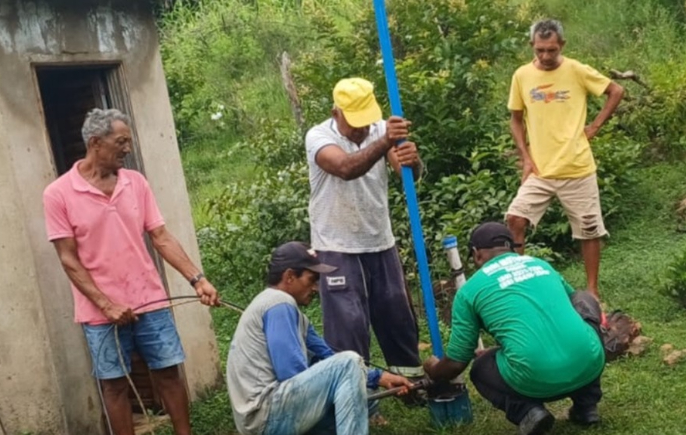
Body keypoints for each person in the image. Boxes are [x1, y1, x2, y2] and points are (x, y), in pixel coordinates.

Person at [43, 108, 219, 435]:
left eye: (129, 141)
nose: (128, 148)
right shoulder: (58, 194)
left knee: (168, 373)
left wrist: (198, 279)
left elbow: (161, 237)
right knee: (114, 385)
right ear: (96, 142)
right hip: (100, 313)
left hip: (149, 299)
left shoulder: (135, 183)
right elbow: (68, 259)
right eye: (121, 142)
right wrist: (106, 304)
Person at [423, 222, 605, 435]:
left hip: (535, 380)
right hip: (588, 364)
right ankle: (586, 405)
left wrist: (433, 369)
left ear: (476, 254)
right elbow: (570, 306)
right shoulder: (541, 265)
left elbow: (456, 362)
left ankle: (529, 412)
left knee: (481, 367)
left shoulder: (469, 291)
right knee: (583, 299)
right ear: (511, 247)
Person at [304, 78, 424, 381]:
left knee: (398, 319)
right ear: (336, 113)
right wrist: (384, 142)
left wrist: (413, 161)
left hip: (380, 240)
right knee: (349, 326)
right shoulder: (318, 137)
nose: (362, 129)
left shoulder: (382, 129)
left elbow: (405, 171)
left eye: (365, 121)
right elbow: (346, 168)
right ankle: (360, 394)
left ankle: (409, 384)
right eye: (354, 122)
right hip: (336, 245)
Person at [226, 241, 412, 435]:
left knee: (368, 397)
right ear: (289, 276)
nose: (315, 288)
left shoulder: (291, 313)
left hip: (273, 412)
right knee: (349, 362)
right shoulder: (279, 303)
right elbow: (291, 373)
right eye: (311, 279)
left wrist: (379, 378)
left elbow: (327, 356)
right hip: (266, 416)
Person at [505, 19, 625, 300]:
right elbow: (515, 119)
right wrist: (525, 157)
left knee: (589, 229)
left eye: (551, 50)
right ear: (532, 46)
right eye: (540, 50)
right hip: (540, 169)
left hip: (577, 167)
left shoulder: (576, 70)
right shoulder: (521, 75)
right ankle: (519, 285)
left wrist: (594, 127)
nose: (545, 56)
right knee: (514, 218)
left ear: (562, 46)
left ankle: (592, 290)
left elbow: (616, 91)